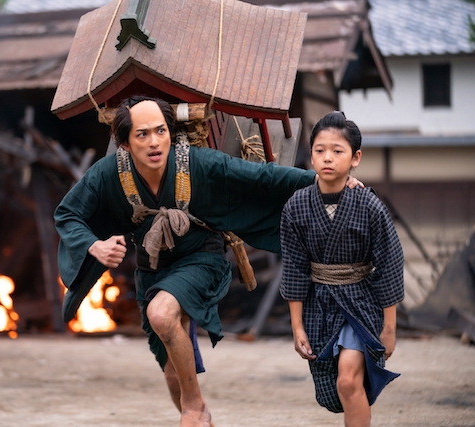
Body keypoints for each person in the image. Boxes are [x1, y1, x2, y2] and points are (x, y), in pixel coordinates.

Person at [54, 96, 356, 427]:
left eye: (161, 131)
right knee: (173, 376)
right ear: (124, 143)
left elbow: (261, 177)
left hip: (202, 259)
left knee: (162, 314)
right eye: (142, 135)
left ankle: (196, 407)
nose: (154, 142)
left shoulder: (197, 163)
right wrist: (94, 245)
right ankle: (199, 415)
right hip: (152, 271)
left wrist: (325, 181)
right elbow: (68, 214)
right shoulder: (108, 173)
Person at [279, 111, 404, 427]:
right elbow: (294, 269)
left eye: (338, 150)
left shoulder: (369, 205)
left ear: (355, 158)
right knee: (341, 387)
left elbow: (390, 264)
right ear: (311, 155)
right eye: (320, 150)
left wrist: (389, 328)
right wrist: (296, 326)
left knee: (348, 380)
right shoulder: (296, 206)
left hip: (360, 304)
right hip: (319, 307)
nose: (328, 158)